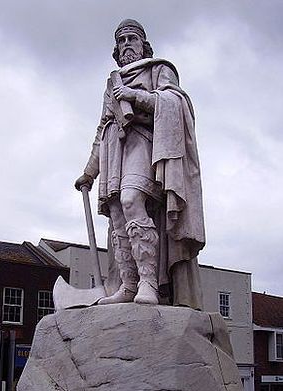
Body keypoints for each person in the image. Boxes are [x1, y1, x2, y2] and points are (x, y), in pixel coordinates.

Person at [75, 19, 205, 308]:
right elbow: (101, 128)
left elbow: (175, 102)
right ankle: (129, 284)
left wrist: (134, 95)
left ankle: (149, 283)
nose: (126, 46)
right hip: (112, 149)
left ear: (143, 44)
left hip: (144, 142)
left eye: (132, 39)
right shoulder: (112, 82)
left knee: (132, 199)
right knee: (119, 215)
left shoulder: (158, 69)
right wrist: (88, 172)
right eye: (121, 41)